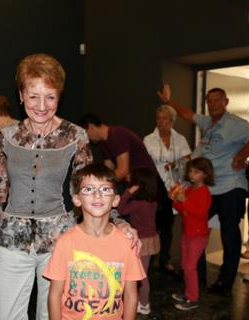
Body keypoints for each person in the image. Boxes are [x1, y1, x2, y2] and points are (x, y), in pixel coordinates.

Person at [0, 53, 138, 320]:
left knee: (52, 315)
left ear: (59, 96)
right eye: (33, 96)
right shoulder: (5, 138)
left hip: (59, 241)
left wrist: (118, 221)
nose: (42, 105)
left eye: (50, 96)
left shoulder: (75, 135)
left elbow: (89, 187)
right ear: (21, 95)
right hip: (11, 240)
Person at [158, 84, 249, 294]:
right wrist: (168, 102)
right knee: (194, 225)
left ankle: (225, 282)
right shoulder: (208, 123)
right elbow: (188, 114)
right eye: (209, 101)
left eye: (217, 100)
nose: (212, 104)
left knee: (229, 233)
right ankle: (196, 276)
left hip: (231, 186)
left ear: (226, 102)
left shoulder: (236, 124)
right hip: (209, 188)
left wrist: (240, 156)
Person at [44, 164, 146, 320]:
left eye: (105, 189)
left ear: (116, 200)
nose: (97, 195)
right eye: (89, 189)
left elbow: (131, 296)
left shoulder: (127, 243)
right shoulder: (65, 242)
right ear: (77, 199)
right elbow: (54, 295)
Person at [79, 113, 175, 273]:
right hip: (137, 187)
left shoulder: (117, 135)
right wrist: (102, 185)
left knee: (161, 225)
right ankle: (142, 263)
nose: (86, 139)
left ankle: (161, 264)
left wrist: (98, 188)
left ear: (90, 127)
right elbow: (108, 172)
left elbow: (122, 170)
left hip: (149, 186)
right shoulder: (105, 143)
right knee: (140, 224)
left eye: (85, 133)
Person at [169, 157, 214, 311]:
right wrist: (175, 200)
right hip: (187, 233)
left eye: (196, 172)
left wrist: (184, 201)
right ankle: (188, 293)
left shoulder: (204, 192)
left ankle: (193, 298)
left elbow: (201, 213)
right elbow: (183, 210)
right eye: (190, 171)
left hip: (198, 235)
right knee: (185, 265)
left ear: (205, 174)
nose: (191, 174)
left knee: (189, 267)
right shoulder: (189, 189)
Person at [117, 167, 160, 315]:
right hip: (150, 239)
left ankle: (144, 304)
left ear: (139, 184)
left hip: (144, 241)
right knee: (143, 273)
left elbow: (120, 209)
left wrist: (128, 192)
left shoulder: (139, 203)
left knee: (141, 275)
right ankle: (143, 302)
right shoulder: (151, 200)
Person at [143, 105, 191, 191]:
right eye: (158, 118)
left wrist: (175, 164)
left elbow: (188, 162)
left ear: (172, 121)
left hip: (178, 186)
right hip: (156, 185)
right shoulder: (148, 140)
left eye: (164, 118)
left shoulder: (180, 139)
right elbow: (144, 163)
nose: (160, 122)